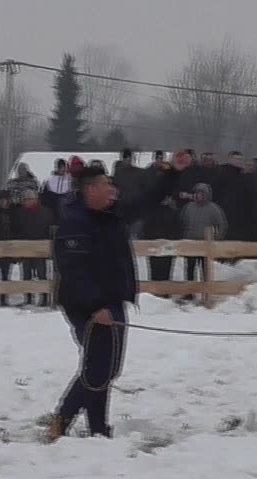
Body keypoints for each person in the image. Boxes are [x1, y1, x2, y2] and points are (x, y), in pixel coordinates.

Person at [46, 156, 187, 442]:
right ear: (89, 190)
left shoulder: (111, 214)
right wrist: (96, 306)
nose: (113, 191)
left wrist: (172, 173)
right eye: (106, 185)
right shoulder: (75, 222)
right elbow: (73, 271)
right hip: (88, 304)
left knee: (106, 367)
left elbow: (147, 201)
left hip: (111, 300)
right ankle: (63, 418)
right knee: (98, 367)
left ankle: (98, 427)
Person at [178, 182, 228, 302]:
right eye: (198, 193)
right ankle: (189, 293)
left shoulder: (213, 209)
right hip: (191, 243)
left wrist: (218, 238)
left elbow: (222, 224)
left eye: (202, 194)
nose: (199, 196)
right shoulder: (189, 207)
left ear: (207, 195)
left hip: (206, 245)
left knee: (205, 270)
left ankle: (207, 293)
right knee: (189, 269)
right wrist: (183, 237)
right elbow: (182, 222)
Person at [13, 189, 55, 307]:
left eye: (30, 199)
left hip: (40, 248)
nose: (28, 202)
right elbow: (17, 230)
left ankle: (44, 298)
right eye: (25, 200)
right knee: (26, 274)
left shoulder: (46, 212)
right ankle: (28, 299)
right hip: (25, 247)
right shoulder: (20, 213)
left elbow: (50, 229)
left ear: (36, 200)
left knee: (42, 273)